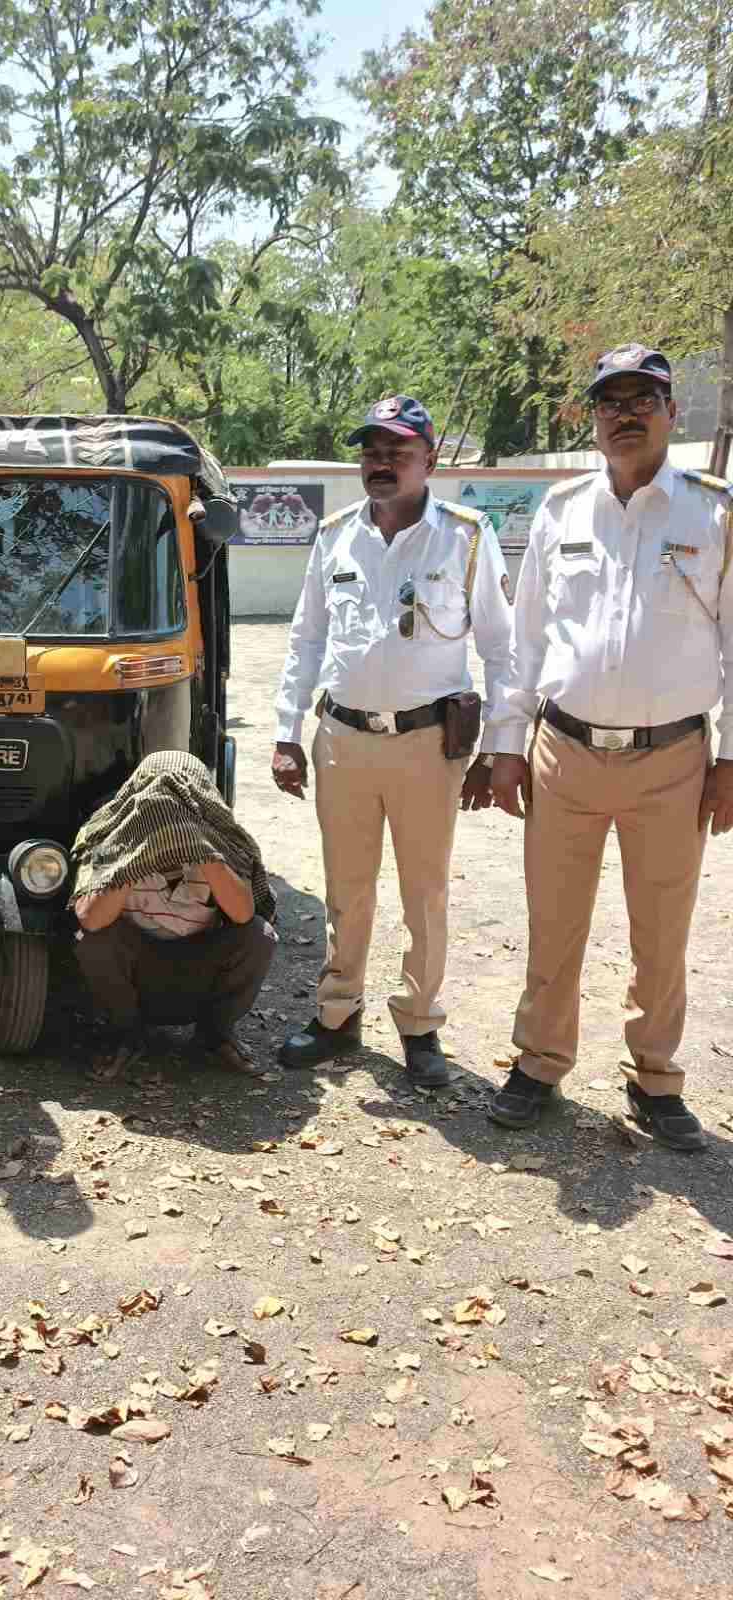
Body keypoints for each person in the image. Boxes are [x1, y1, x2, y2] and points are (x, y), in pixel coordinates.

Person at [488, 344, 733, 1151]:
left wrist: (730, 759)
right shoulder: (561, 510)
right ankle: (539, 1063)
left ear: (670, 412)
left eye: (642, 400)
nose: (625, 415)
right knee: (554, 921)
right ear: (592, 419)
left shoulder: (715, 513)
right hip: (564, 752)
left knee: (661, 931)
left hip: (673, 761)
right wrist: (506, 743)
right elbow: (526, 639)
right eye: (610, 402)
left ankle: (655, 1077)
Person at [273, 395, 517, 1086]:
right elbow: (306, 638)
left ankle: (419, 1024)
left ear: (428, 461)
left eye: (398, 452)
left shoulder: (466, 536)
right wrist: (287, 731)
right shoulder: (335, 535)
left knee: (424, 892)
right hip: (343, 739)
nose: (381, 463)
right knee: (346, 887)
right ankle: (337, 1013)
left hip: (426, 744)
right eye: (372, 451)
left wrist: (501, 744)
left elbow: (501, 648)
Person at [70, 751, 278, 1081]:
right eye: (158, 799)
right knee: (93, 940)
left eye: (179, 799)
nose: (167, 810)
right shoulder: (111, 839)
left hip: (200, 967)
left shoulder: (223, 842)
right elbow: (90, 919)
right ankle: (125, 1035)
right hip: (136, 973)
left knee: (259, 935)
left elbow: (242, 914)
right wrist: (134, 857)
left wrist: (199, 848)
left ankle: (215, 1035)